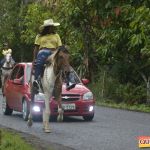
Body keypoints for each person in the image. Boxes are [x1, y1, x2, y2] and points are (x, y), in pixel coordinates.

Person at [32, 19, 75, 91]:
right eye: (51, 26)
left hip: (54, 52)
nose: (52, 28)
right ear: (47, 27)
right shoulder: (39, 36)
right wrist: (34, 59)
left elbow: (59, 47)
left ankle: (69, 81)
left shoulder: (56, 35)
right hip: (43, 51)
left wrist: (60, 53)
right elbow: (36, 48)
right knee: (39, 63)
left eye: (52, 26)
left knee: (65, 62)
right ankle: (37, 81)